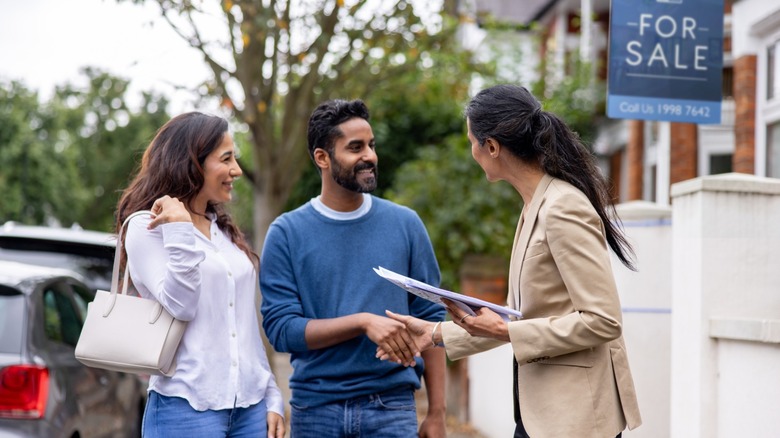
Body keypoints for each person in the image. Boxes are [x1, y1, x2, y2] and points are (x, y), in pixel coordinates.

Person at [381, 84, 643, 437]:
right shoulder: (535, 205)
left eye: (472, 141)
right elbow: (521, 317)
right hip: (542, 414)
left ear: (491, 146)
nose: (472, 151)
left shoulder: (563, 206)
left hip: (576, 418)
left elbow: (603, 321)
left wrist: (506, 331)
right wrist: (434, 333)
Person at [259, 99, 447, 437]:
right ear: (322, 157)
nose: (370, 156)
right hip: (315, 410)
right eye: (355, 147)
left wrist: (437, 413)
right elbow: (281, 331)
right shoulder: (286, 233)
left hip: (392, 406)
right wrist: (361, 322)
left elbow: (432, 323)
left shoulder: (406, 225)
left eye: (371, 145)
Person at [115, 112, 285, 438]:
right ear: (193, 163)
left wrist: (272, 395)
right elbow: (182, 305)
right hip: (186, 407)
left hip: (251, 408)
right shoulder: (145, 226)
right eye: (226, 158)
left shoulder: (222, 230)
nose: (236, 169)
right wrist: (179, 229)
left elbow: (245, 326)